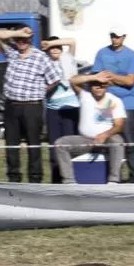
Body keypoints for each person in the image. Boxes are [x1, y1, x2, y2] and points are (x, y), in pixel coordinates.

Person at [0, 25, 59, 183]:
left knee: (33, 144)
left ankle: (35, 178)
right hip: (11, 106)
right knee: (11, 145)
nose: (21, 42)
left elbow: (55, 78)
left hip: (32, 106)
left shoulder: (41, 57)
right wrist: (17, 33)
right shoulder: (12, 52)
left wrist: (41, 91)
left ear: (31, 39)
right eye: (18, 39)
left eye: (25, 39)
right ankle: (14, 178)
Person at [53, 72, 127, 185]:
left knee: (117, 141)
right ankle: (69, 181)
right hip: (86, 140)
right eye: (95, 84)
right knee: (60, 144)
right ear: (90, 86)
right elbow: (73, 81)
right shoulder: (84, 96)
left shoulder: (115, 101)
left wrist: (104, 135)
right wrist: (94, 77)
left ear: (107, 86)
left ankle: (114, 180)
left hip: (107, 140)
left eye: (102, 85)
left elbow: (119, 126)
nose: (99, 88)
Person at [92, 27, 134, 182]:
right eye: (113, 36)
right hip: (106, 103)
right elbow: (98, 78)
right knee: (109, 139)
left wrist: (111, 76)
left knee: (129, 141)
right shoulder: (102, 53)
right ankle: (114, 176)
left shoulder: (131, 55)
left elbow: (130, 81)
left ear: (124, 37)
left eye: (118, 36)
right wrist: (120, 79)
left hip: (127, 103)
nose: (115, 39)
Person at [43, 36, 80, 183]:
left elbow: (72, 41)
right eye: (52, 48)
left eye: (58, 47)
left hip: (70, 109)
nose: (55, 50)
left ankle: (72, 178)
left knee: (70, 146)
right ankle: (56, 180)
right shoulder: (45, 64)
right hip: (53, 110)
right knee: (54, 147)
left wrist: (51, 43)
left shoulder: (68, 58)